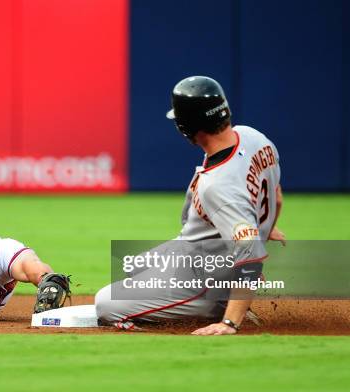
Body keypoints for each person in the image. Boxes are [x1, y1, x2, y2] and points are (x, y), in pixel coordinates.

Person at [95, 76, 284, 335]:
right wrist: (265, 226)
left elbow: (249, 252)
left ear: (187, 125)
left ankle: (218, 306)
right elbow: (276, 196)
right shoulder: (253, 137)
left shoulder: (217, 185)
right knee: (133, 266)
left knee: (106, 304)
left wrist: (229, 323)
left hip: (204, 273)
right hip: (193, 250)